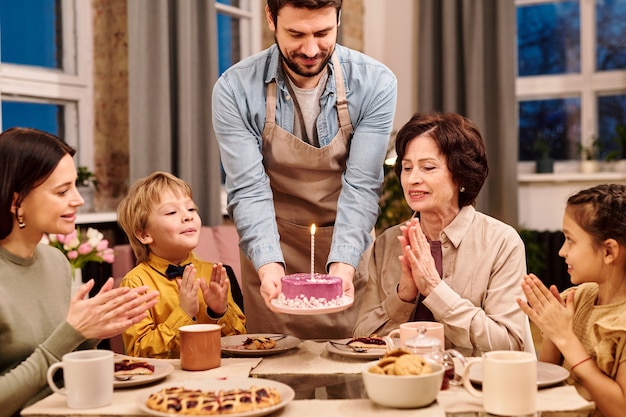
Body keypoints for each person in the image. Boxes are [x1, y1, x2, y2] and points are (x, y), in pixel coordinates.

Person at [212, 0, 397, 339]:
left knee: (350, 378)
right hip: (271, 249)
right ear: (271, 18)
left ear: (339, 18)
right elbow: (249, 190)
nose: (311, 49)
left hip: (346, 247)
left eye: (323, 32)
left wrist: (342, 268)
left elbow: (361, 185)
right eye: (296, 34)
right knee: (274, 380)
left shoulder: (375, 83)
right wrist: (269, 268)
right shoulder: (234, 90)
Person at [0, 127, 159, 416]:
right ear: (16, 202)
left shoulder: (54, 261)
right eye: (62, 191)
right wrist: (71, 333)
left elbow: (63, 364)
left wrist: (93, 331)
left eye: (74, 186)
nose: (78, 200)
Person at [353, 112, 535, 356]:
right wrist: (403, 297)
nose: (413, 179)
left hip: (473, 387)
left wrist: (434, 289)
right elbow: (361, 337)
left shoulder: (502, 242)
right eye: (407, 168)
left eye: (428, 167)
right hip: (399, 382)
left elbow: (509, 342)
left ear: (460, 175)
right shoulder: (387, 242)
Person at [518, 184, 626, 417]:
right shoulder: (578, 297)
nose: (561, 251)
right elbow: (547, 380)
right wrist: (552, 334)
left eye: (570, 240)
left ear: (609, 251)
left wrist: (566, 339)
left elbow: (621, 409)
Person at [117, 172, 246, 358]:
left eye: (191, 209)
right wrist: (183, 313)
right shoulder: (135, 284)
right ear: (144, 234)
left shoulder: (214, 274)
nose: (188, 217)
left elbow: (242, 342)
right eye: (171, 212)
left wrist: (219, 311)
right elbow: (138, 354)